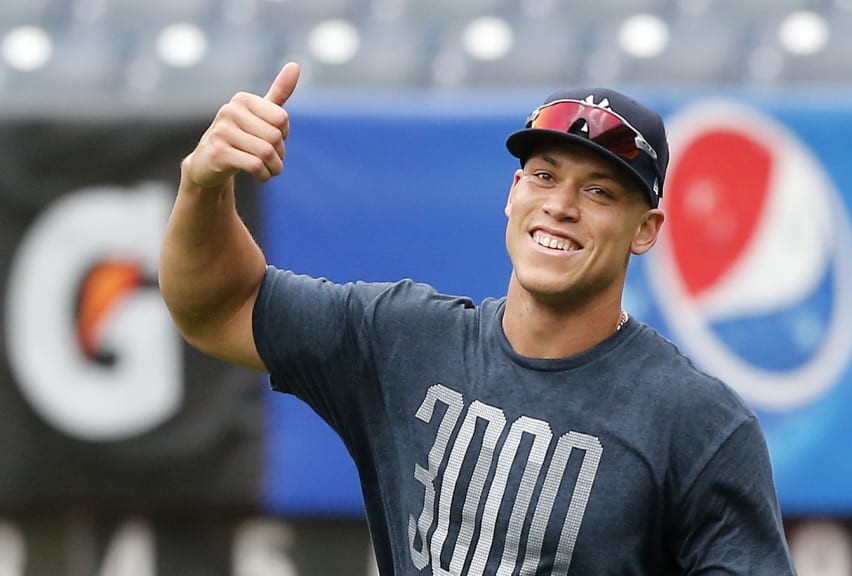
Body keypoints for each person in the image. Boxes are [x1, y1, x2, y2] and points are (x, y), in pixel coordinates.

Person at [159, 62, 796, 575]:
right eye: (543, 176)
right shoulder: (404, 341)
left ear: (646, 229)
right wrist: (203, 186)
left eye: (599, 190)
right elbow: (219, 306)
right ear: (513, 194)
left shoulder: (699, 423)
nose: (561, 205)